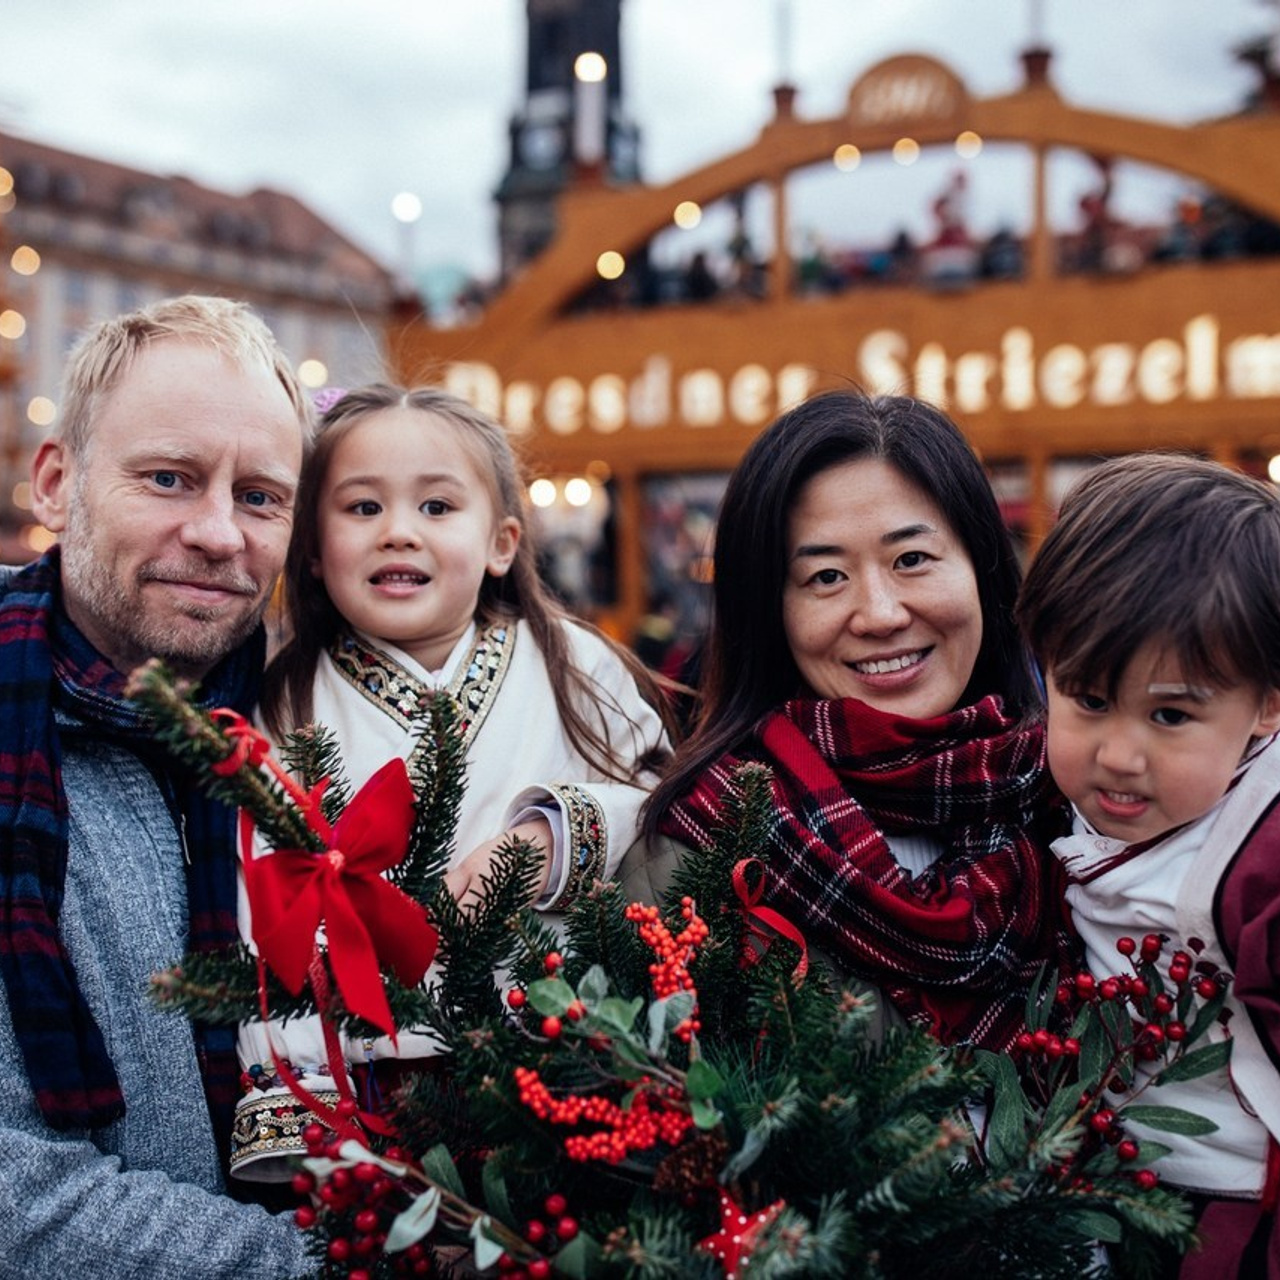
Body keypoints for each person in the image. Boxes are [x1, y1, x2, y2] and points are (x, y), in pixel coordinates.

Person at [232, 384, 673, 1178]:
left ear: (501, 541)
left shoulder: (576, 665)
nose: (399, 531)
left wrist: (559, 836)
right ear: (312, 547)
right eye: (363, 508)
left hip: (577, 1067)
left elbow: (665, 810)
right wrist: (308, 1116)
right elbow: (266, 908)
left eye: (436, 507)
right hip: (378, 1102)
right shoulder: (284, 705)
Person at [0, 296, 313, 1277]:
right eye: (169, 478)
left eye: (259, 496)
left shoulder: (316, 733)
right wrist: (333, 1263)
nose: (220, 533)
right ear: (57, 483)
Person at [623, 389, 1074, 1052]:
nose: (881, 614)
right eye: (827, 576)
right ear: (770, 612)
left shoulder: (1083, 807)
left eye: (912, 560)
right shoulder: (698, 852)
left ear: (983, 570)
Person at [1017, 453, 1280, 1279]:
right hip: (1109, 1180)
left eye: (1170, 716)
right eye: (1090, 700)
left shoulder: (1259, 857)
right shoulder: (1048, 795)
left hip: (1234, 1208)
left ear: (1268, 704)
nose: (1120, 755)